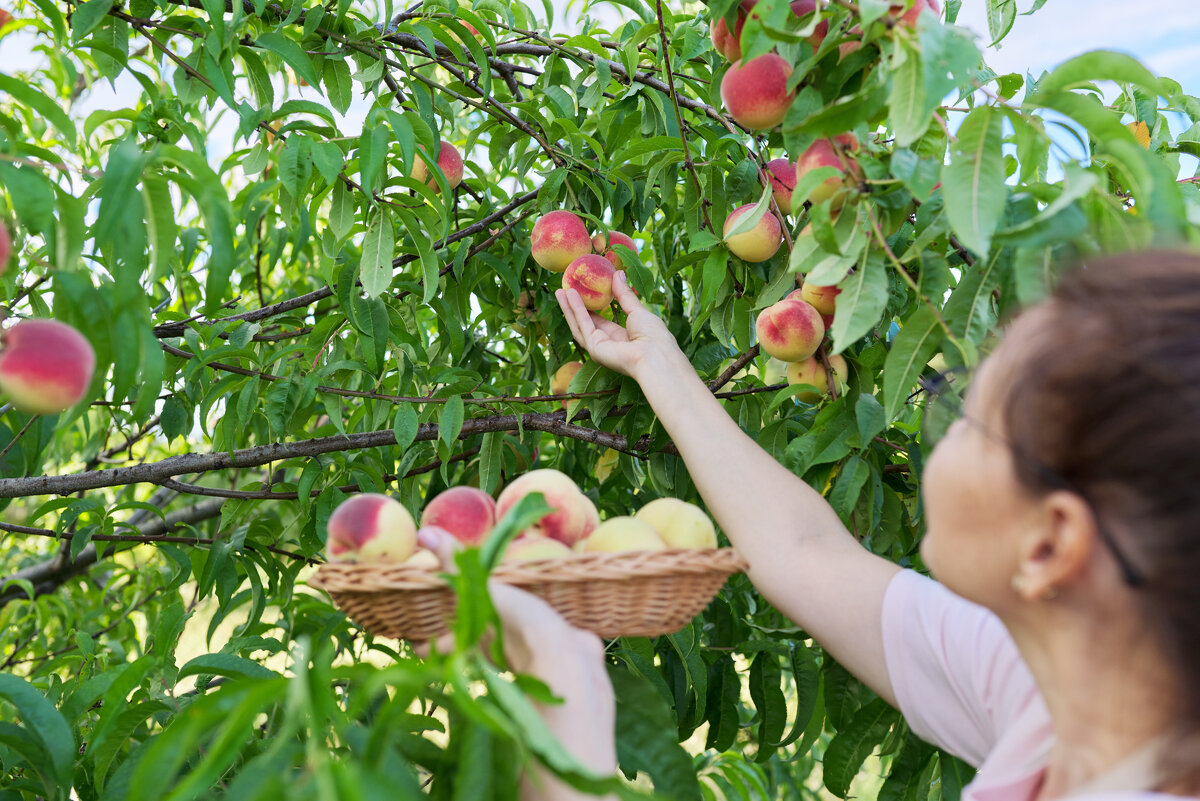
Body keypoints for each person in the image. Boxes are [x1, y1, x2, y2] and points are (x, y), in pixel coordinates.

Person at [421, 250, 1200, 801]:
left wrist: (563, 716)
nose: (939, 426)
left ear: (1050, 543)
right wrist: (657, 363)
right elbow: (802, 550)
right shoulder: (1061, 692)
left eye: (970, 413)